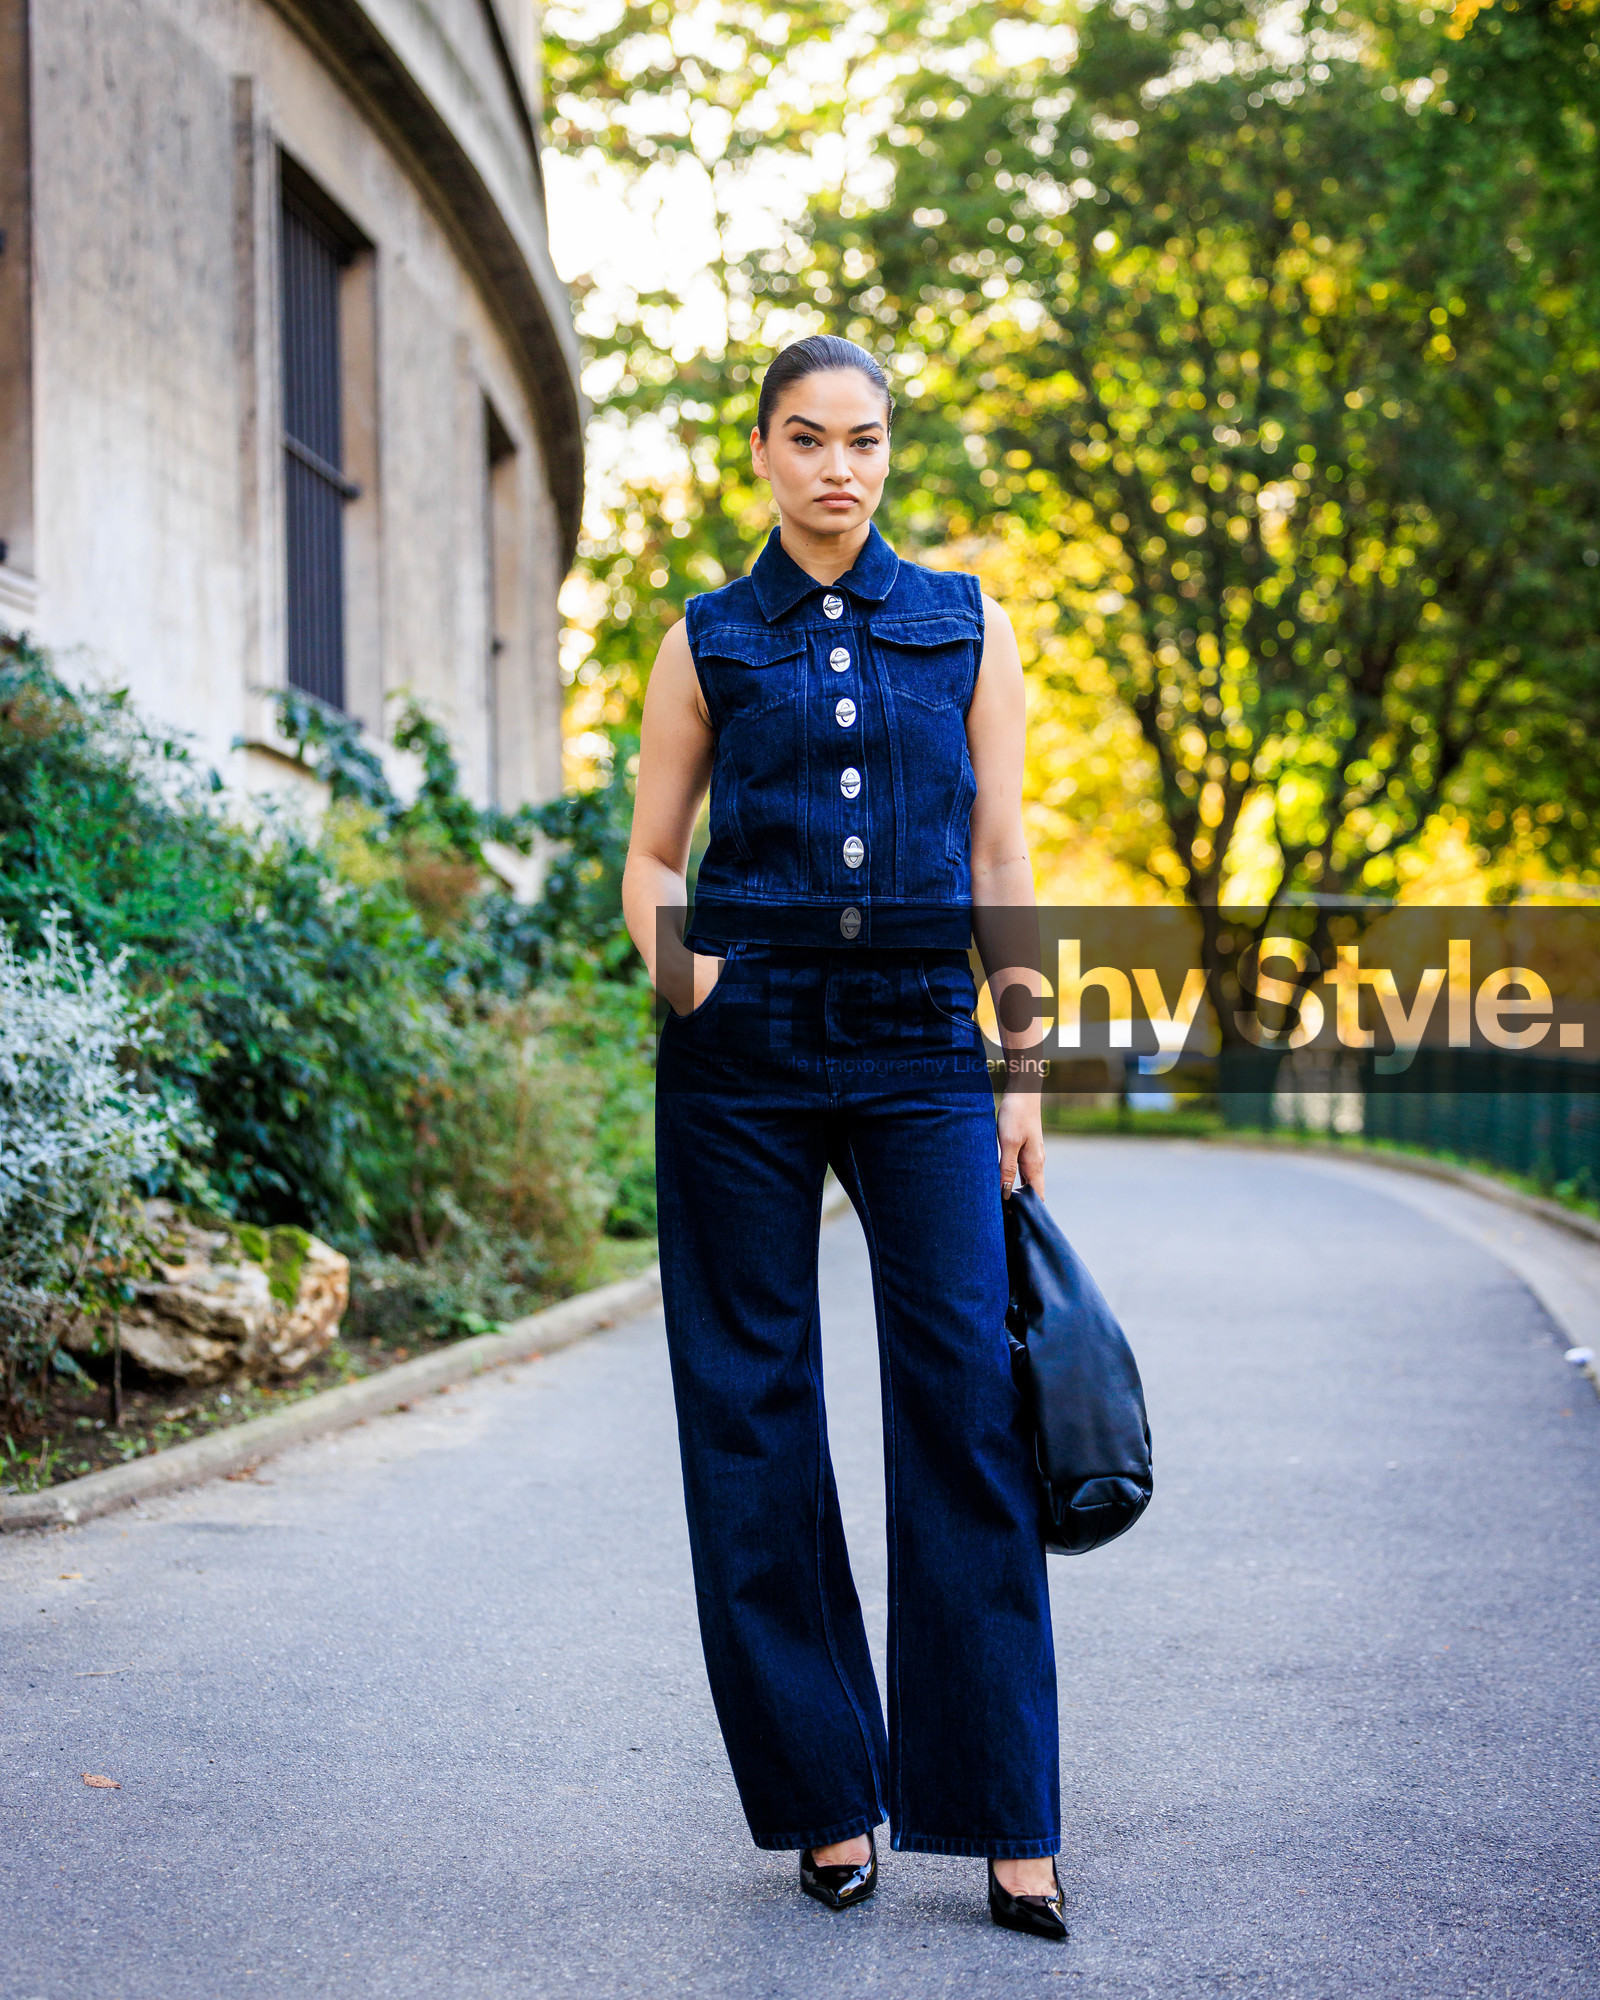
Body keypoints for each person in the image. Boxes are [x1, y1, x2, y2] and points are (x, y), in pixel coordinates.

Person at [621, 334, 1065, 1940]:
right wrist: (691, 981)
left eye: (864, 441)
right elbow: (654, 850)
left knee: (962, 1397)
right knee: (750, 1408)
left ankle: (1010, 1815)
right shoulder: (705, 638)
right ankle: (826, 1798)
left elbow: (1004, 847)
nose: (837, 468)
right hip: (743, 1050)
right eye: (805, 439)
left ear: (891, 454)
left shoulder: (966, 625)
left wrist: (1023, 1065)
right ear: (761, 454)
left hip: (918, 1049)